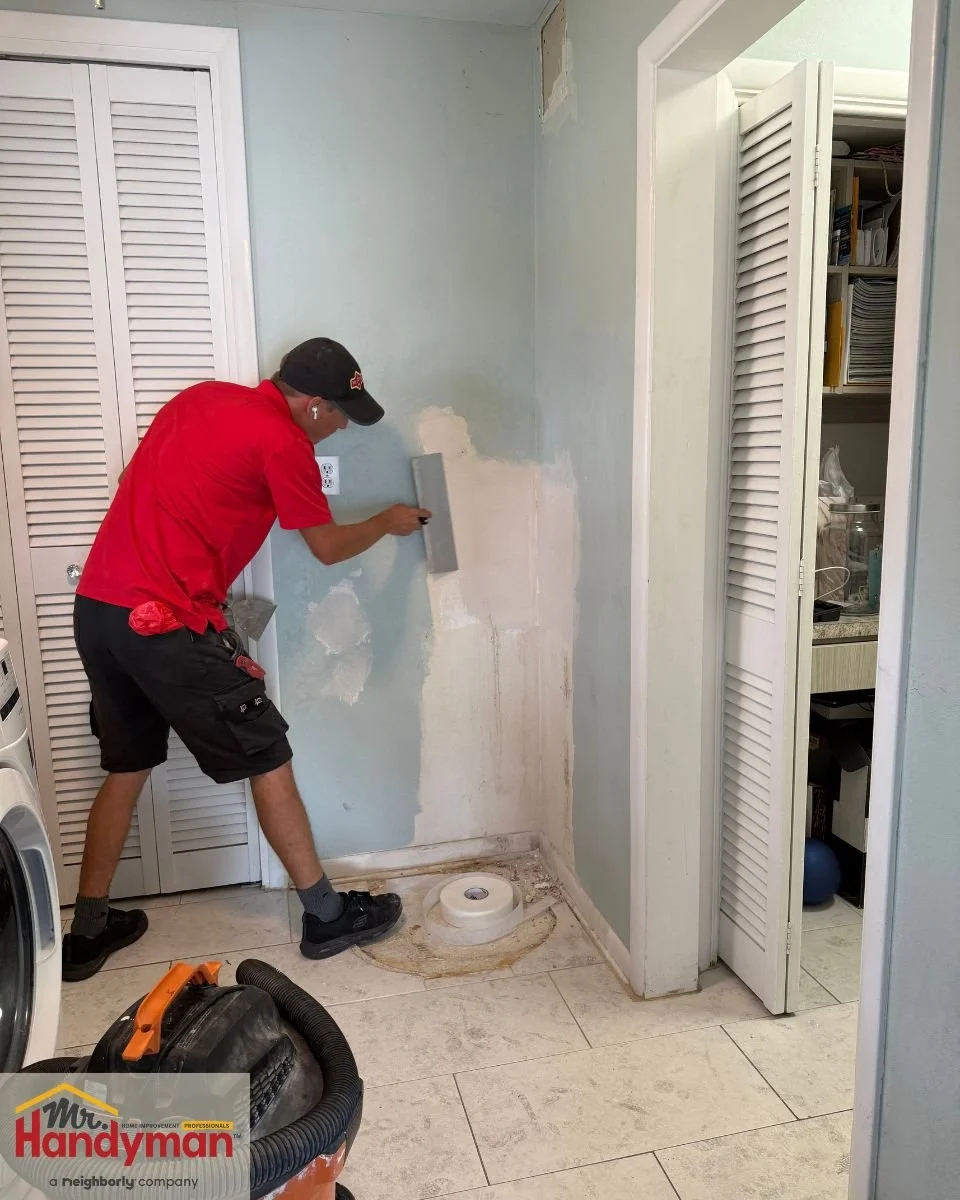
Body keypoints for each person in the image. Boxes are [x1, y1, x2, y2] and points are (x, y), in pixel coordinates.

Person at [62, 338, 430, 981]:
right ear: (312, 404)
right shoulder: (285, 443)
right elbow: (326, 547)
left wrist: (198, 574)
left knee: (127, 766)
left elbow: (142, 486)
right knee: (270, 755)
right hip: (163, 624)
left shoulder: (200, 400)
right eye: (340, 412)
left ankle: (88, 932)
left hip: (100, 611)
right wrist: (387, 522)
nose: (341, 424)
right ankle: (326, 916)